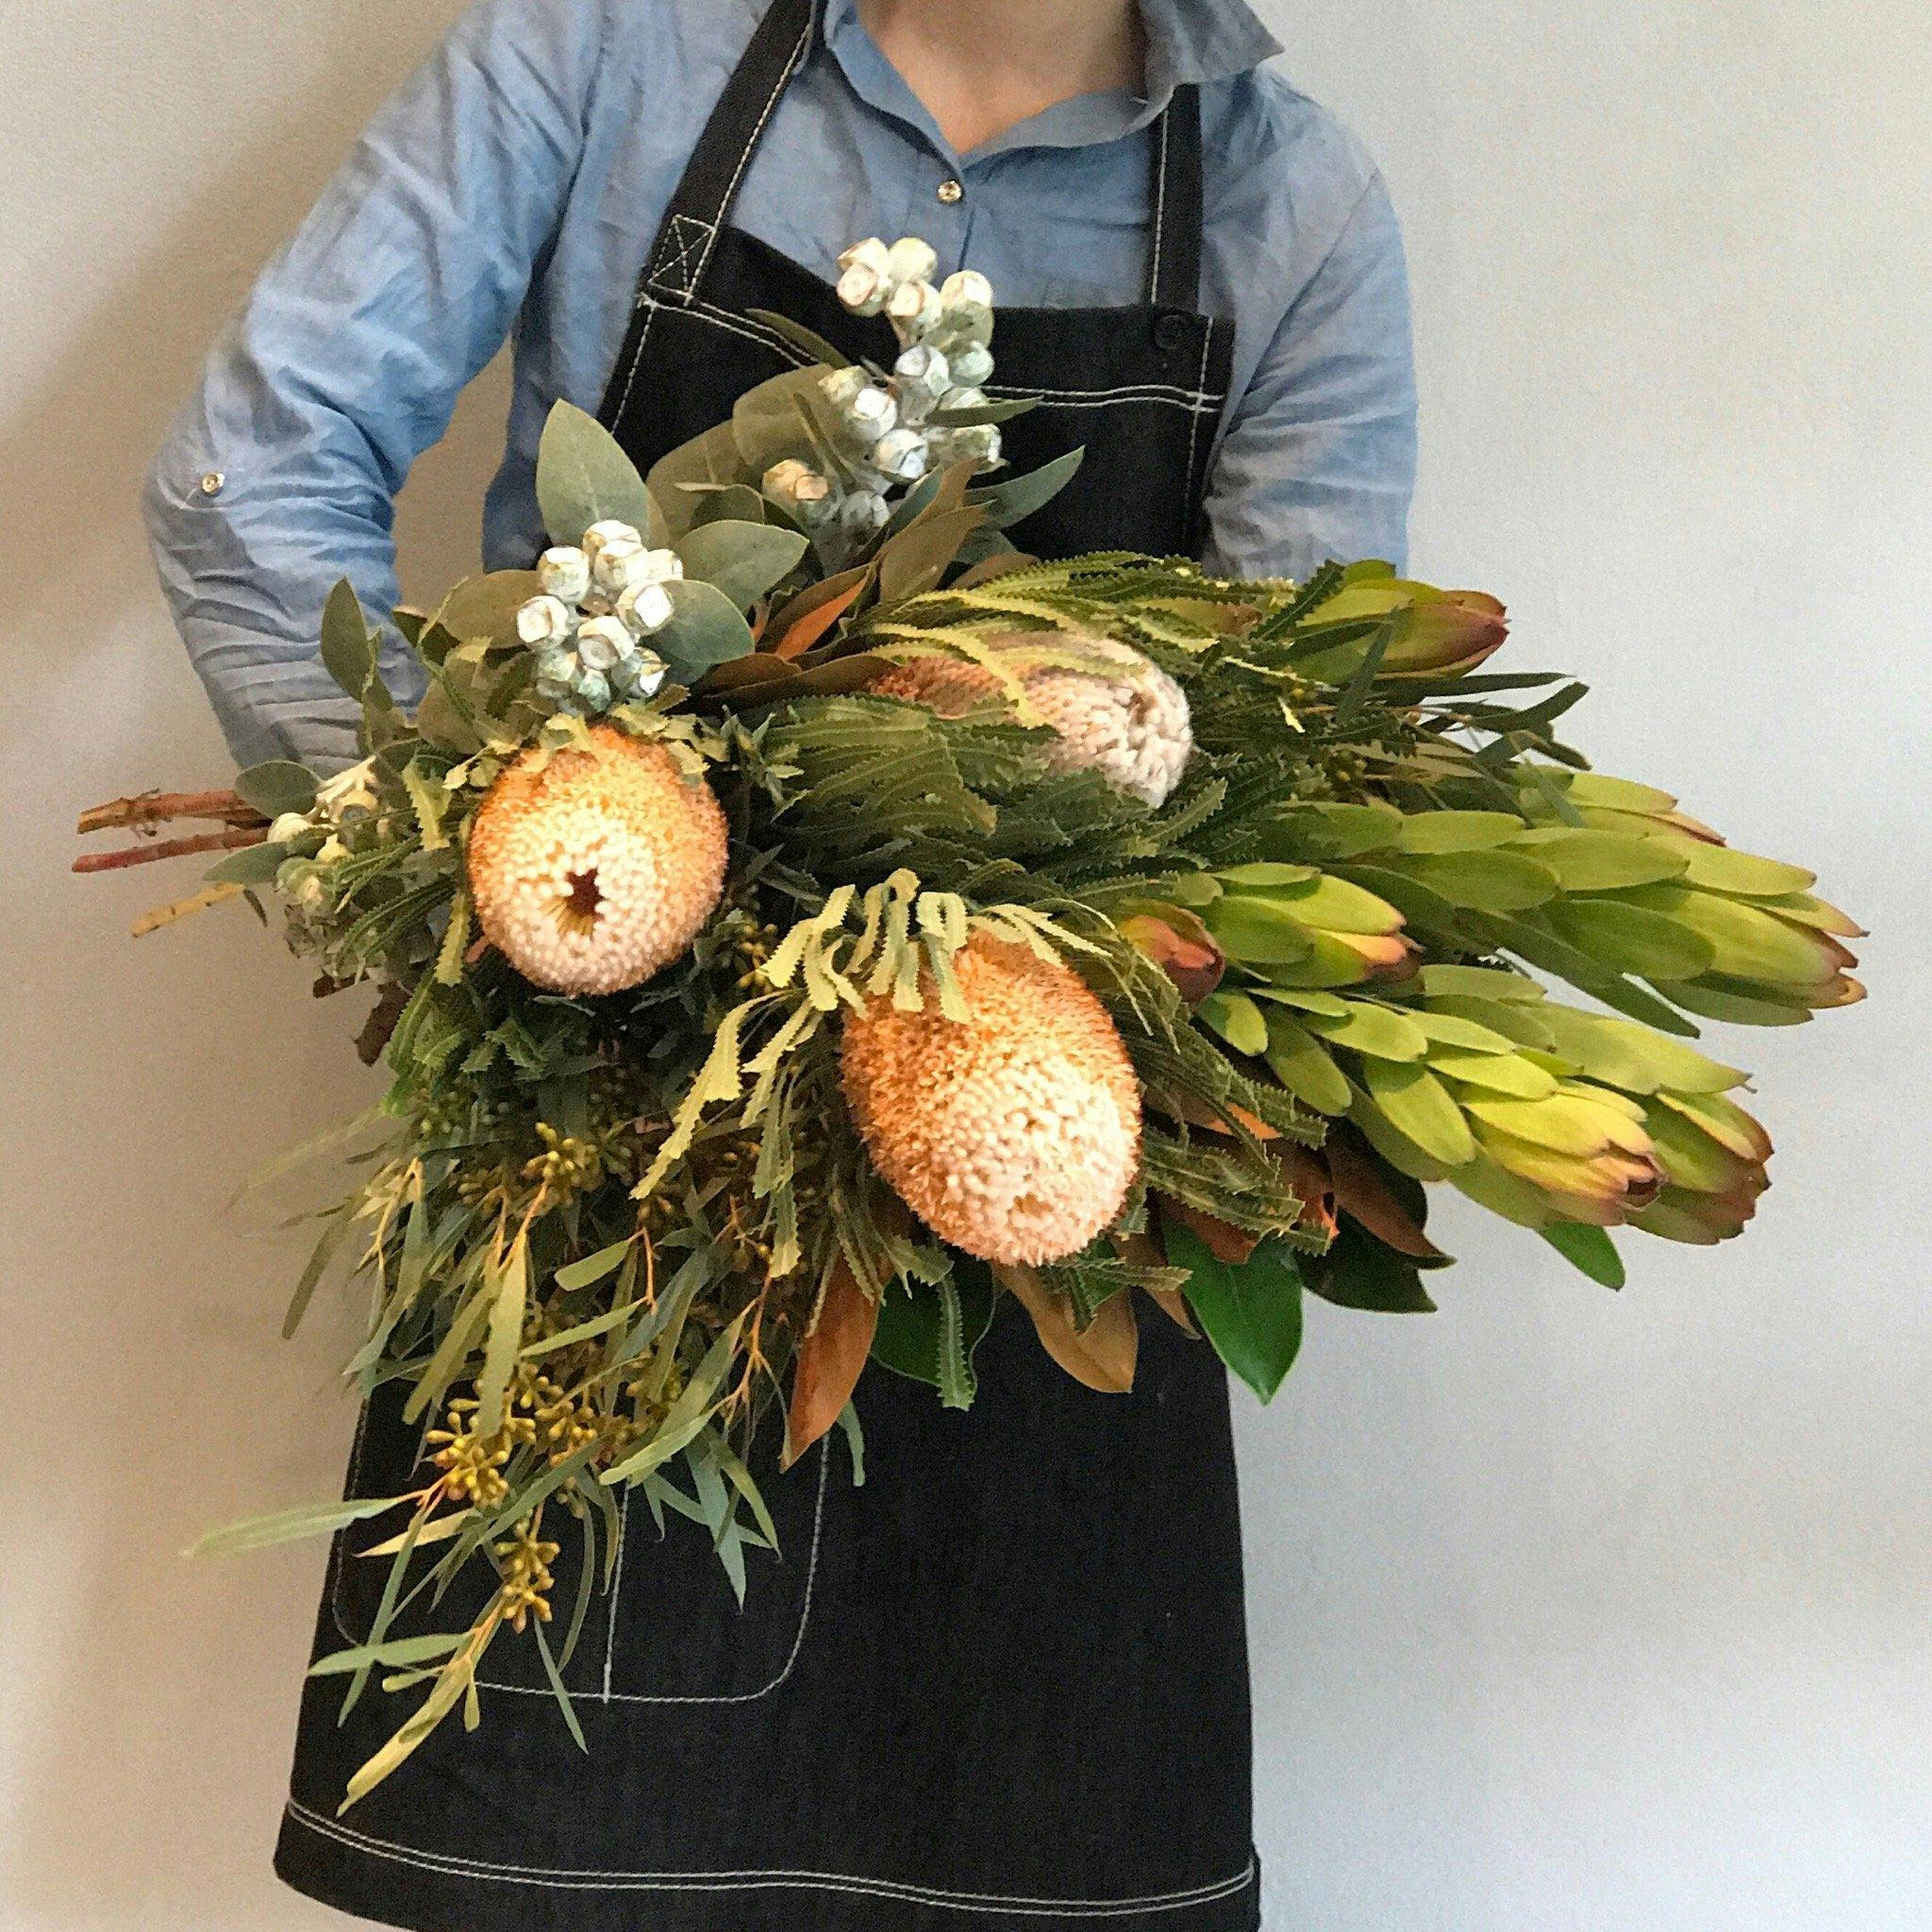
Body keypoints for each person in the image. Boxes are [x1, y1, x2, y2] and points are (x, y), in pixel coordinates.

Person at [145, 2, 1416, 1927]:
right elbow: (243, 480)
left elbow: (1296, 754)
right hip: (617, 1210)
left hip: (1046, 1219)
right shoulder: (594, 61)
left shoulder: (1285, 201)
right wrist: (468, 888)